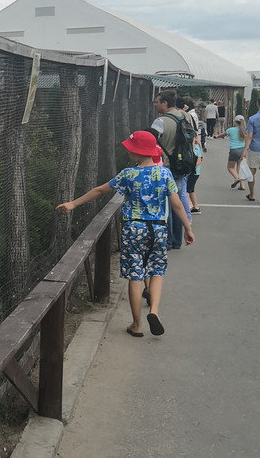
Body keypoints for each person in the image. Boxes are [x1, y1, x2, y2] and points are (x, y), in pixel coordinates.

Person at [57, 129, 194, 337]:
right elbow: (176, 205)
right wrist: (188, 228)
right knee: (157, 272)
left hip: (133, 229)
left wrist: (73, 203)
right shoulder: (164, 173)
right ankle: (154, 311)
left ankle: (137, 325)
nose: (128, 153)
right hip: (158, 228)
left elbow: (100, 190)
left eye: (131, 150)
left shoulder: (129, 174)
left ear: (138, 152)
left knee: (135, 276)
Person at [151, 90, 194, 247]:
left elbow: (152, 144)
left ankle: (167, 240)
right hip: (183, 165)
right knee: (178, 202)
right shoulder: (185, 116)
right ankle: (177, 239)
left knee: (167, 204)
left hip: (166, 166)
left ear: (165, 103)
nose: (155, 104)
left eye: (157, 102)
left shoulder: (160, 122)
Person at [226, 114, 248, 189]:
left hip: (234, 150)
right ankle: (242, 185)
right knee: (239, 167)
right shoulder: (245, 131)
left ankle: (237, 178)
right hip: (242, 150)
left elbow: (223, 135)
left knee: (230, 167)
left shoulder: (231, 130)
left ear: (235, 122)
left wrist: (217, 136)